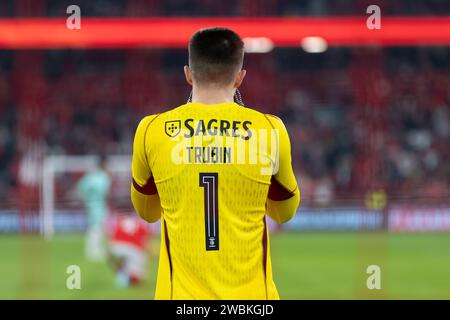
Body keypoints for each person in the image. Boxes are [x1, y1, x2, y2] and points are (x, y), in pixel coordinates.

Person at [131, 27, 300, 299]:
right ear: (240, 78)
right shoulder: (270, 129)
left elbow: (148, 212)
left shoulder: (151, 130)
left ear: (188, 73)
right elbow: (284, 213)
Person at [77, 155, 111, 262]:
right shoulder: (104, 177)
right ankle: (93, 252)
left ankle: (93, 250)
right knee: (97, 227)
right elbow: (105, 192)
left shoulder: (90, 176)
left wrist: (85, 199)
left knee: (94, 227)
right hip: (99, 205)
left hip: (90, 205)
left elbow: (80, 187)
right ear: (103, 164)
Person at [107, 211, 151, 288]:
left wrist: (109, 253)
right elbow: (145, 240)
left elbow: (111, 238)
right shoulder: (139, 223)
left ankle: (121, 277)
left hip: (116, 247)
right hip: (133, 249)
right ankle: (129, 277)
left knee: (122, 263)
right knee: (137, 276)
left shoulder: (120, 222)